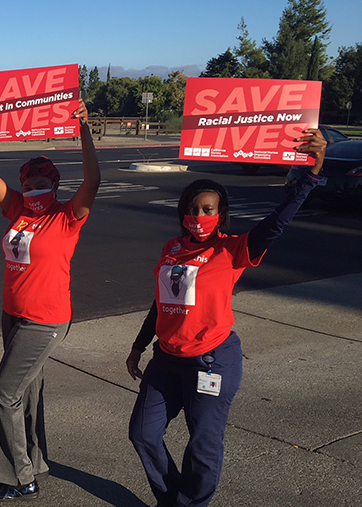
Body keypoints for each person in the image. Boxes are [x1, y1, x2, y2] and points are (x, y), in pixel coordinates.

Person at [125, 129, 327, 507]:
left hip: (211, 361)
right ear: (182, 212)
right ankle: (173, 500)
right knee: (143, 433)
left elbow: (276, 224)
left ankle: (192, 503)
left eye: (207, 209)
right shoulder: (171, 248)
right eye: (192, 208)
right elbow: (161, 303)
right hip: (166, 360)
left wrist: (310, 176)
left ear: (220, 215)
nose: (197, 216)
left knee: (202, 445)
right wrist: (139, 346)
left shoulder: (231, 249)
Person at [0, 99, 99, 501]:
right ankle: (35, 458)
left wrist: (84, 129)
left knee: (2, 392)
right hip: (13, 315)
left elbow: (94, 180)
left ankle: (18, 478)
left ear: (56, 185)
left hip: (45, 320)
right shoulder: (18, 210)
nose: (34, 190)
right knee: (25, 392)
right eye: (29, 184)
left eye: (42, 184)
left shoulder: (66, 216)